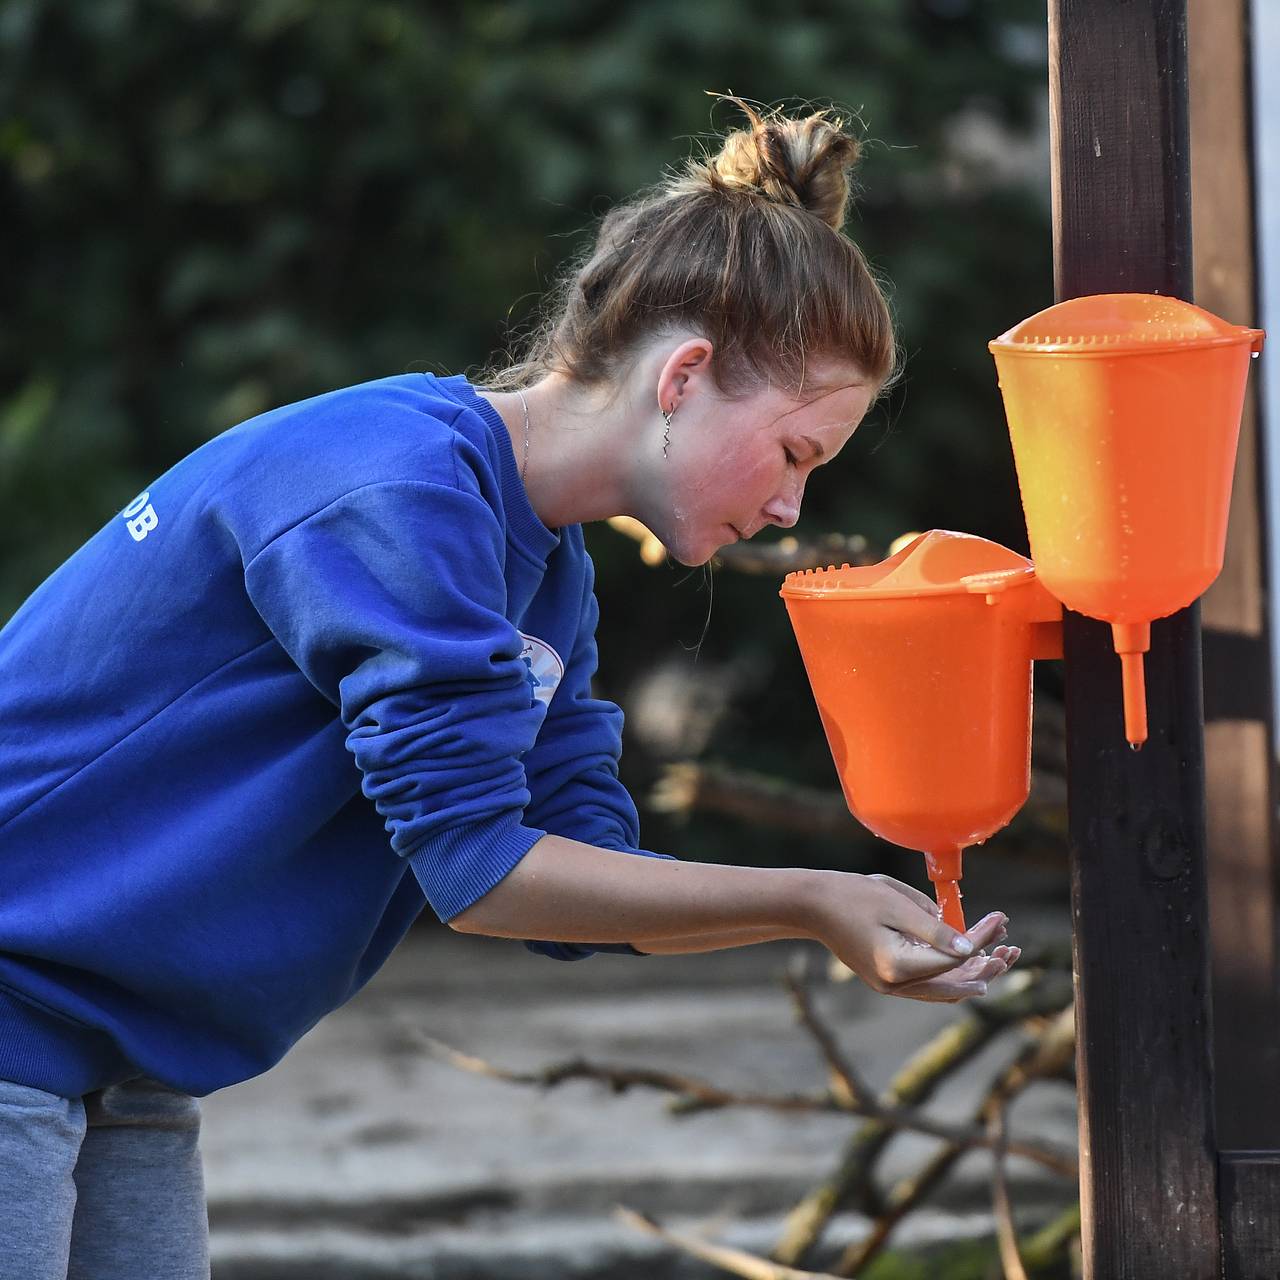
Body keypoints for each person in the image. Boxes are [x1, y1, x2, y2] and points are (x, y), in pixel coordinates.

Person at [0, 96, 1018, 1278]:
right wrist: (808, 896)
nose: (790, 508)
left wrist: (845, 914)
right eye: (794, 452)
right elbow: (478, 871)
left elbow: (571, 882)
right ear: (682, 374)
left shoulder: (546, 576)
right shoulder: (398, 489)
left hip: (127, 1057)